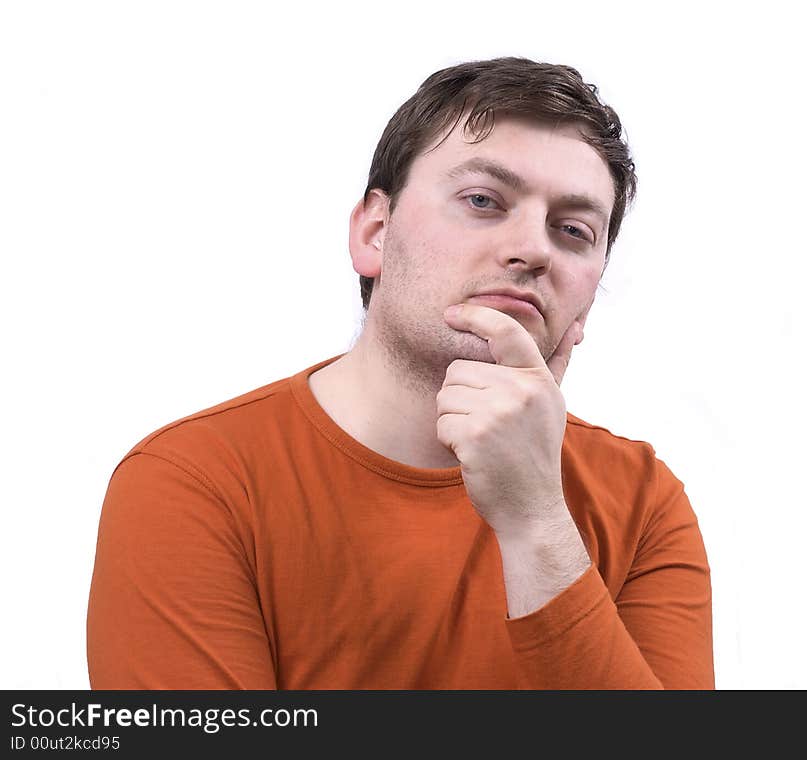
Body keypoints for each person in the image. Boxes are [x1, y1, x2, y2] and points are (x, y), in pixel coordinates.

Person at [87, 56, 714, 689]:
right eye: (482, 201)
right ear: (375, 233)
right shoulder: (193, 480)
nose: (533, 248)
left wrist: (536, 521)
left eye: (574, 230)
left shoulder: (644, 502)